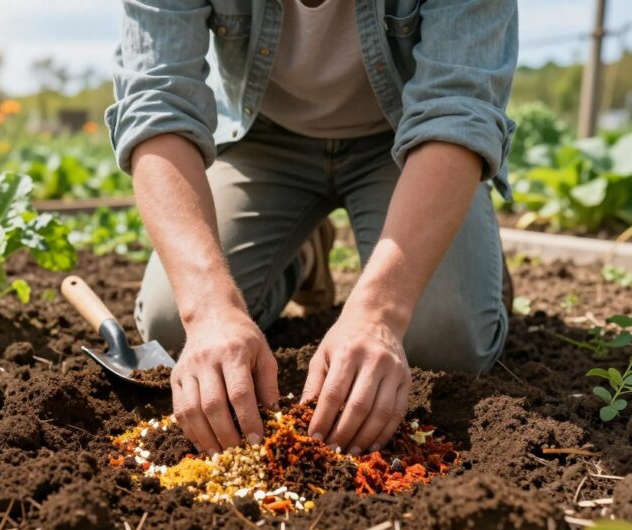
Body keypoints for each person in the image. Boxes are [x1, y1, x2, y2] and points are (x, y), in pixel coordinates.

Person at [105, 0, 518, 457]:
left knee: (445, 342)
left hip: (407, 141)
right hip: (262, 138)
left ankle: (472, 265)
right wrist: (207, 310)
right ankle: (302, 255)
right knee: (172, 325)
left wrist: (381, 312)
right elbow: (156, 105)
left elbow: (457, 113)